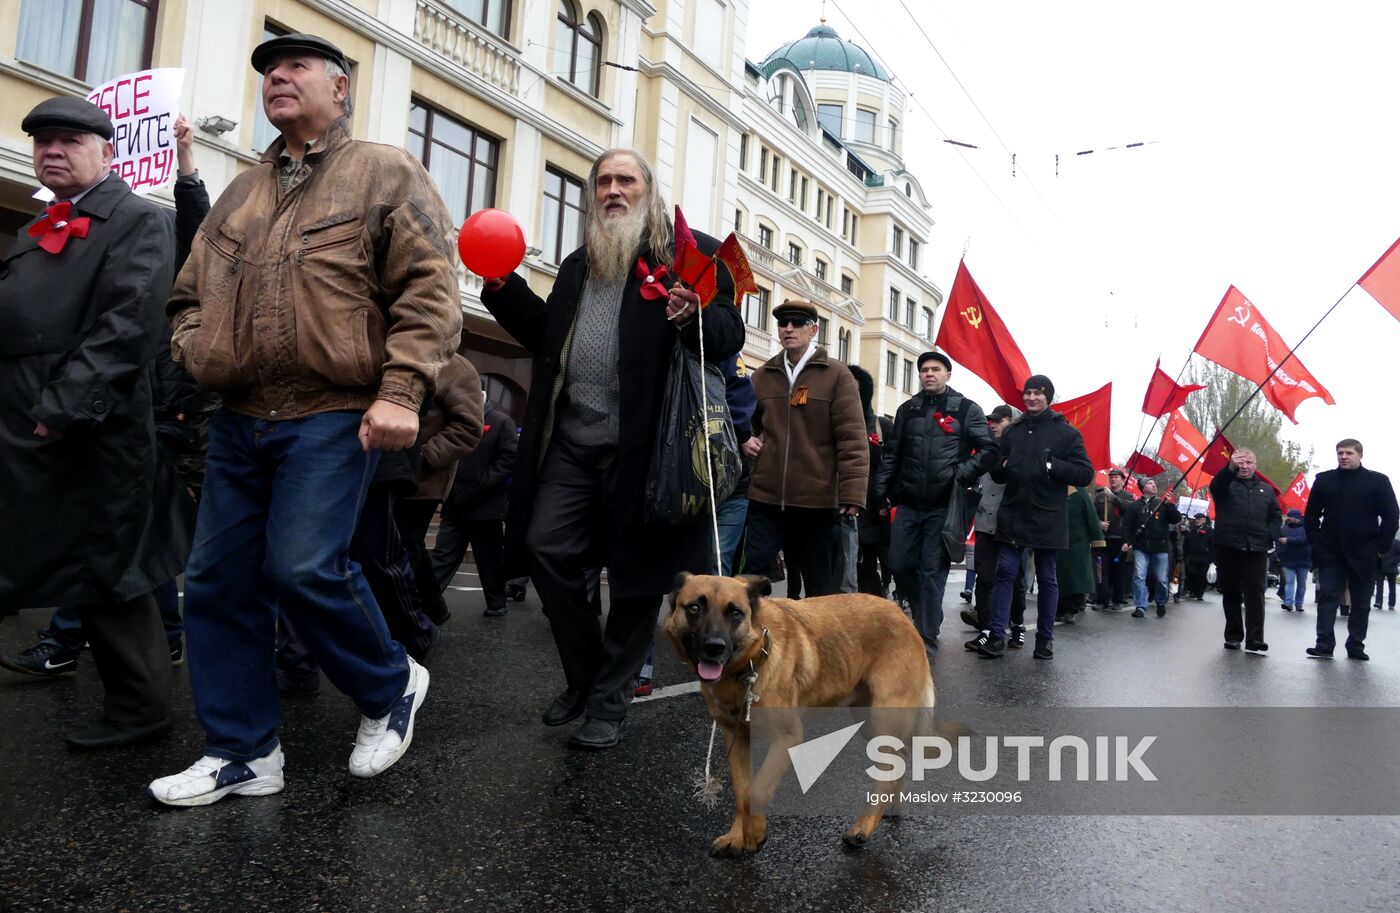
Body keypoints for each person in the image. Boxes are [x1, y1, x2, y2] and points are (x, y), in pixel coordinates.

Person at [152, 33, 462, 805]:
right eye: (268, 70)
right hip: (240, 413)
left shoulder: (384, 171)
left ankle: (391, 682)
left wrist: (401, 390)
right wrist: (198, 351)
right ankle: (243, 750)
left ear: (341, 86)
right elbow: (187, 296)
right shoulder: (239, 192)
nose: (277, 78)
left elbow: (430, 290)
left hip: (335, 409)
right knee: (218, 582)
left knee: (300, 565)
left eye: (295, 67)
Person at [480, 148, 743, 749]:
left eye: (626, 180)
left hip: (648, 451)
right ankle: (585, 675)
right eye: (603, 181)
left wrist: (692, 313)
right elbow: (549, 337)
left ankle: (607, 704)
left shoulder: (688, 254)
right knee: (544, 547)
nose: (613, 191)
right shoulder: (579, 263)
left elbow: (727, 336)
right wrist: (503, 288)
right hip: (573, 442)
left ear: (648, 190)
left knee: (635, 581)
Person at [0, 96, 192, 749]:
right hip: (27, 425)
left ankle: (139, 710)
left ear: (108, 153)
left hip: (92, 432)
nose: (51, 150)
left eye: (68, 140)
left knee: (110, 570)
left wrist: (60, 410)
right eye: (42, 142)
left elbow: (129, 325)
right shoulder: (36, 229)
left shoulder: (138, 219)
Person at [875, 351, 995, 657]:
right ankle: (925, 613)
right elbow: (892, 454)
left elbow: (989, 450)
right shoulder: (907, 409)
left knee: (932, 571)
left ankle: (926, 637)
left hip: (945, 506)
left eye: (936, 369)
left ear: (947, 375)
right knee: (899, 564)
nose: (929, 374)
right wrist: (881, 491)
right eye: (924, 370)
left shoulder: (967, 409)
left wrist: (959, 474)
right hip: (908, 503)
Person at [745, 300, 866, 599]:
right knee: (751, 583)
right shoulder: (762, 375)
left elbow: (852, 438)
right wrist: (744, 437)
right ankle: (751, 643)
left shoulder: (837, 375)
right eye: (783, 323)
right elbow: (744, 420)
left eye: (797, 323)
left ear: (813, 330)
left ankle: (818, 645)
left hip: (816, 501)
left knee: (818, 588)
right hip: (765, 497)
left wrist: (852, 494)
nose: (788, 329)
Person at [976, 375, 1094, 659]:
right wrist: (1001, 466)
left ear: (1048, 397)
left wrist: (1053, 465)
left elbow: (1085, 473)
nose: (1031, 398)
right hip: (1013, 512)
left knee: (1047, 578)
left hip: (1048, 516)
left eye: (1038, 393)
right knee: (1005, 574)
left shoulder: (1066, 433)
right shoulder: (1013, 432)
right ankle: (996, 637)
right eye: (1028, 393)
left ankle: (1045, 640)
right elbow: (997, 471)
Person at [1305, 439, 1399, 660]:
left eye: (1348, 453)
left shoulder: (1378, 481)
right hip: (1330, 551)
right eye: (1340, 453)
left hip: (1364, 551)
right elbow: (1311, 514)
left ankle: (1356, 644)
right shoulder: (1324, 480)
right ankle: (1324, 644)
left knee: (1361, 601)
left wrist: (1380, 547)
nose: (1343, 457)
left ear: (1360, 455)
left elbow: (1391, 516)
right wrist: (1315, 541)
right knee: (1328, 597)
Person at [431, 390, 519, 617]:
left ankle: (496, 603)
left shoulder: (500, 422)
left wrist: (484, 484)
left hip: (485, 506)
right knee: (443, 556)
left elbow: (509, 458)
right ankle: (426, 601)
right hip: (455, 502)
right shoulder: (454, 419)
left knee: (489, 559)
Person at [965, 405, 1027, 651]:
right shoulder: (986, 448)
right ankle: (986, 629)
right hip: (984, 522)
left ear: (1012, 422)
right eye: (991, 420)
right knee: (985, 577)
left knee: (1013, 578)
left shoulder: (1021, 449)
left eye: (999, 420)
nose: (992, 424)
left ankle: (1018, 625)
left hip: (1010, 524)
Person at [1209, 448, 1281, 654]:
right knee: (1231, 591)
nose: (1244, 466)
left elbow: (1275, 517)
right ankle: (1233, 636)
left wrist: (1269, 534)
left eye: (1249, 462)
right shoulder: (1225, 485)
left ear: (1255, 465)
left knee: (1255, 593)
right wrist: (1229, 466)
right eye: (1241, 462)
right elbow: (1217, 484)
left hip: (1256, 548)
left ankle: (1255, 638)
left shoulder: (1267, 490)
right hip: (1228, 545)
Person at [1124, 478, 1181, 618]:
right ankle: (1140, 606)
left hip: (1160, 547)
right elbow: (1127, 526)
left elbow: (1176, 518)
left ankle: (1161, 602)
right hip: (1141, 547)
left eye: (1155, 483)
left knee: (1161, 578)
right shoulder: (1134, 506)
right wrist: (1127, 541)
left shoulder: (1162, 504)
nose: (1154, 485)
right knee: (1139, 576)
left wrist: (1170, 505)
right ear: (1142, 487)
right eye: (1149, 483)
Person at [1056, 484, 1104, 623]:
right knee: (1060, 578)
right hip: (1057, 541)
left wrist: (1098, 539)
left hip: (1078, 543)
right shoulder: (1054, 489)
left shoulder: (1080, 493)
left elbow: (1092, 517)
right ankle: (1059, 608)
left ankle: (1072, 608)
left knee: (1076, 578)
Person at [1093, 468, 1133, 608]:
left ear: (1122, 479)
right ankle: (1101, 600)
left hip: (1119, 539)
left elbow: (1125, 509)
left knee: (1118, 572)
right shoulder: (1099, 497)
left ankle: (1117, 600)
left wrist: (1111, 496)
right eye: (1111, 477)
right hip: (1103, 539)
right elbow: (1092, 515)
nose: (1113, 479)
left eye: (1116, 477)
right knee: (1101, 571)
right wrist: (1099, 523)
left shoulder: (1128, 496)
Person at [1276, 509, 1310, 611]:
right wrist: (1280, 554)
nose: (1288, 518)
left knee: (1301, 584)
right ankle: (1289, 603)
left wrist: (1288, 540)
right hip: (1288, 560)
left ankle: (1299, 603)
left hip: (1303, 560)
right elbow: (1278, 543)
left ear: (1296, 517)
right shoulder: (1283, 530)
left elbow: (1305, 540)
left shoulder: (1307, 529)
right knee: (1290, 581)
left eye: (1290, 516)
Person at [1182, 514, 1215, 601]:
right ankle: (1192, 590)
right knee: (1192, 574)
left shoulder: (1209, 531)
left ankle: (1200, 593)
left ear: (1204, 520)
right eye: (1196, 519)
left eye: (1199, 519)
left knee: (1202, 577)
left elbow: (1212, 545)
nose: (1197, 520)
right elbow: (1186, 542)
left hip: (1204, 557)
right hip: (1192, 556)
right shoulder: (1192, 529)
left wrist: (1212, 559)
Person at [1375, 536, 1400, 611]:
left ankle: (1390, 604)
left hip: (1390, 568)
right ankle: (1379, 602)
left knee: (1391, 587)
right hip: (1382, 567)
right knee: (1380, 586)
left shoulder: (1396, 543)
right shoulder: (1395, 542)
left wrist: (1393, 562)